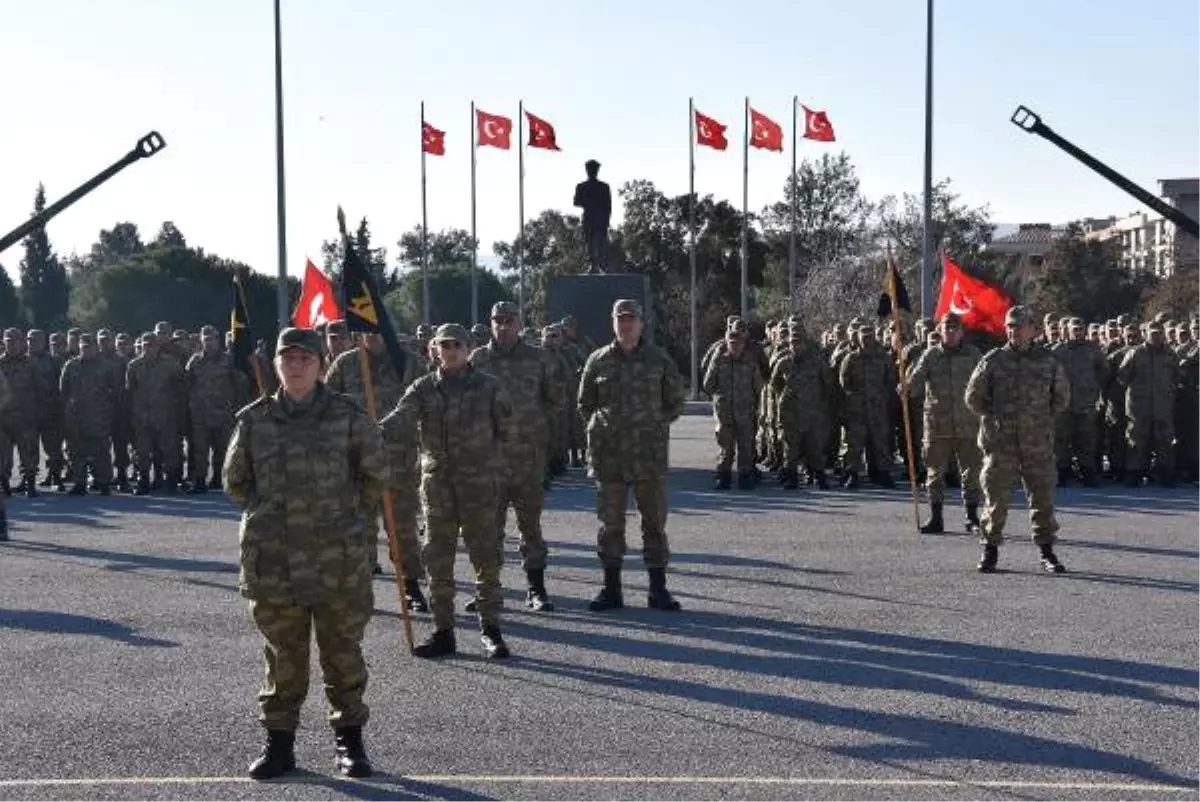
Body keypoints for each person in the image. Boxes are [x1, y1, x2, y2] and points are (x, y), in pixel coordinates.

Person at [223, 327, 386, 780]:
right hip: (274, 561)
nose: (296, 364)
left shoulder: (348, 416)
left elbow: (375, 475)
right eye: (287, 357)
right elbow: (235, 483)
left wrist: (339, 515)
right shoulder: (253, 420)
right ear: (276, 363)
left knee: (343, 654)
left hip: (337, 559)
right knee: (282, 657)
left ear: (320, 363)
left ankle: (350, 745)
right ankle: (279, 747)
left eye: (305, 358)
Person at [381, 323, 512, 659]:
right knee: (438, 563)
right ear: (433, 350)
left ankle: (491, 630)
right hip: (438, 490)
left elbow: (507, 431)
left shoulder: (490, 387)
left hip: (480, 487)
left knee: (487, 561)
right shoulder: (423, 389)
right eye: (444, 344)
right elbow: (400, 421)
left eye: (457, 344)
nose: (451, 349)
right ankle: (443, 631)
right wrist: (369, 431)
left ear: (469, 348)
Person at [577, 299, 685, 611]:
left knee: (653, 523)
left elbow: (675, 402)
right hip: (608, 457)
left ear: (641, 323)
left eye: (631, 319)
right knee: (610, 525)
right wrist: (604, 428)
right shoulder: (597, 360)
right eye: (620, 319)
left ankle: (658, 590)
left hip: (647, 457)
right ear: (613, 322)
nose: (626, 324)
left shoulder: (659, 360)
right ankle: (611, 590)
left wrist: (652, 424)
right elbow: (585, 404)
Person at [468, 301, 563, 611]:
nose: (503, 326)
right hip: (488, 461)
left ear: (520, 324)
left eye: (509, 320)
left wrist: (535, 432)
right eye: (497, 321)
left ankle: (536, 589)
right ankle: (487, 589)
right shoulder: (477, 359)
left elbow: (555, 401)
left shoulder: (539, 358)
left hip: (527, 459)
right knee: (487, 529)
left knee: (529, 526)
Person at [964, 306, 1071, 574]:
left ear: (1032, 329)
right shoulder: (993, 360)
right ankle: (989, 551)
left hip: (1037, 442)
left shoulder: (1048, 361)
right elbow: (973, 397)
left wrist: (1038, 418)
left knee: (1042, 498)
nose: (1013, 330)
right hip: (1002, 443)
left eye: (1019, 325)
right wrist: (993, 418)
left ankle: (1047, 552)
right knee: (996, 499)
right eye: (1010, 325)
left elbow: (1061, 398)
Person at [902, 313, 983, 534]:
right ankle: (936, 517)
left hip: (968, 423)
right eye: (946, 328)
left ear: (961, 331)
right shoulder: (930, 356)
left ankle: (972, 517)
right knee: (934, 473)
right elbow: (916, 385)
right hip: (937, 424)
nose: (950, 332)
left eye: (954, 328)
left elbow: (986, 383)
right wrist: (907, 386)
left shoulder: (973, 355)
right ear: (940, 330)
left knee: (971, 472)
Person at [573, 159, 612, 273]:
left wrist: (607, 220)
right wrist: (588, 201)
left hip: (600, 219)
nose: (592, 171)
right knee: (589, 242)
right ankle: (592, 264)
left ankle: (599, 265)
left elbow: (608, 205)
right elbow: (576, 201)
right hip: (588, 218)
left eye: (594, 169)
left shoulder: (604, 187)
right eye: (590, 169)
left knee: (600, 243)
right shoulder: (581, 186)